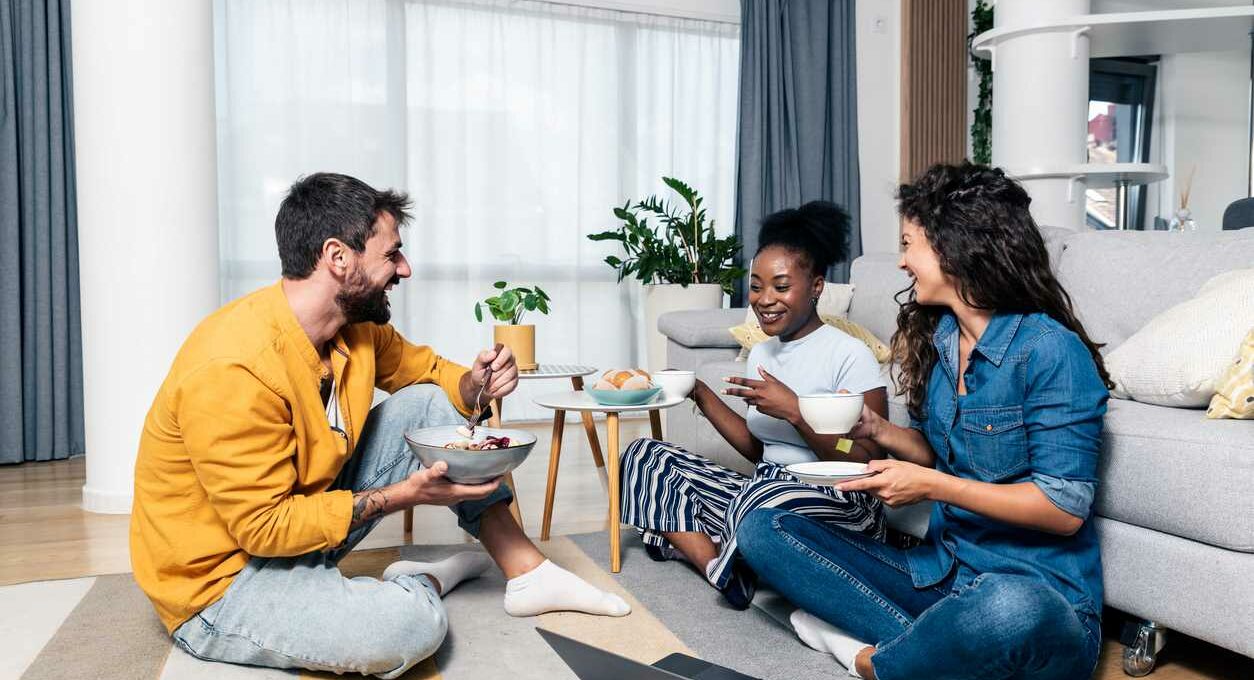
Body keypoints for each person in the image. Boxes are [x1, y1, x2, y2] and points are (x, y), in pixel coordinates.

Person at [130, 173, 630, 679]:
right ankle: (420, 585)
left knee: (429, 404)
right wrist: (404, 495)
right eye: (392, 254)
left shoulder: (355, 329)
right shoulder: (233, 367)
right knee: (403, 631)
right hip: (223, 582)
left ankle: (528, 573)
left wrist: (476, 384)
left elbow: (433, 377)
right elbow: (263, 529)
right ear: (338, 257)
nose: (405, 269)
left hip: (301, 521)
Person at [736, 162, 1111, 680]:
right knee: (763, 526)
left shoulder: (1050, 352)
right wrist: (879, 432)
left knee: (1010, 609)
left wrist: (933, 485)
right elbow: (940, 453)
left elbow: (1062, 509)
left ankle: (871, 661)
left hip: (1037, 594)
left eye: (909, 244)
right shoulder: (940, 342)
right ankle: (939, 652)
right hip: (941, 578)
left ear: (954, 247)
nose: (903, 263)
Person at [618, 201, 889, 609]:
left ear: (816, 287)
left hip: (839, 499)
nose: (765, 299)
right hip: (765, 487)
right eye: (757, 286)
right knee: (644, 457)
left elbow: (870, 459)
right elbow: (760, 448)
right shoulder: (763, 353)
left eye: (781, 287)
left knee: (761, 500)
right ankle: (721, 567)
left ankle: (711, 541)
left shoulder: (850, 355)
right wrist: (700, 394)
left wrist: (796, 412)